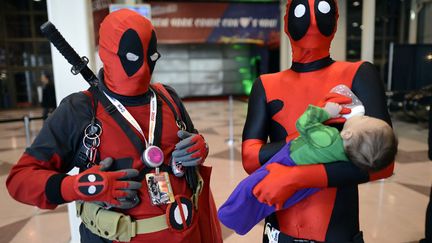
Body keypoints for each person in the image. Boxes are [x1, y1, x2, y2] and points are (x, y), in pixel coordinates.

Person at [6, 9, 222, 243]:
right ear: (107, 54)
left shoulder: (168, 98)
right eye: (131, 58)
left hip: (186, 232)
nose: (143, 69)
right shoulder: (80, 109)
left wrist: (200, 147)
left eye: (151, 58)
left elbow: (193, 142)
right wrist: (80, 186)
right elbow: (20, 179)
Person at [241, 1, 394, 242]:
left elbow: (383, 162)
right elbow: (250, 158)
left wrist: (296, 177)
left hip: (337, 231)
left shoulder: (358, 74)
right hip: (278, 230)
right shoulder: (266, 85)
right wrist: (311, 137)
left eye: (321, 10)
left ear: (335, 20)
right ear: (286, 23)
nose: (312, 21)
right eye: (302, 11)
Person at [219, 100, 397, 235]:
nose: (363, 116)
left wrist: (326, 112)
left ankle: (228, 217)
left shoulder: (328, 137)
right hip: (308, 187)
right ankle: (242, 222)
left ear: (348, 133)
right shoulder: (347, 156)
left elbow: (304, 124)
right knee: (269, 204)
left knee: (250, 188)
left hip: (287, 161)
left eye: (364, 119)